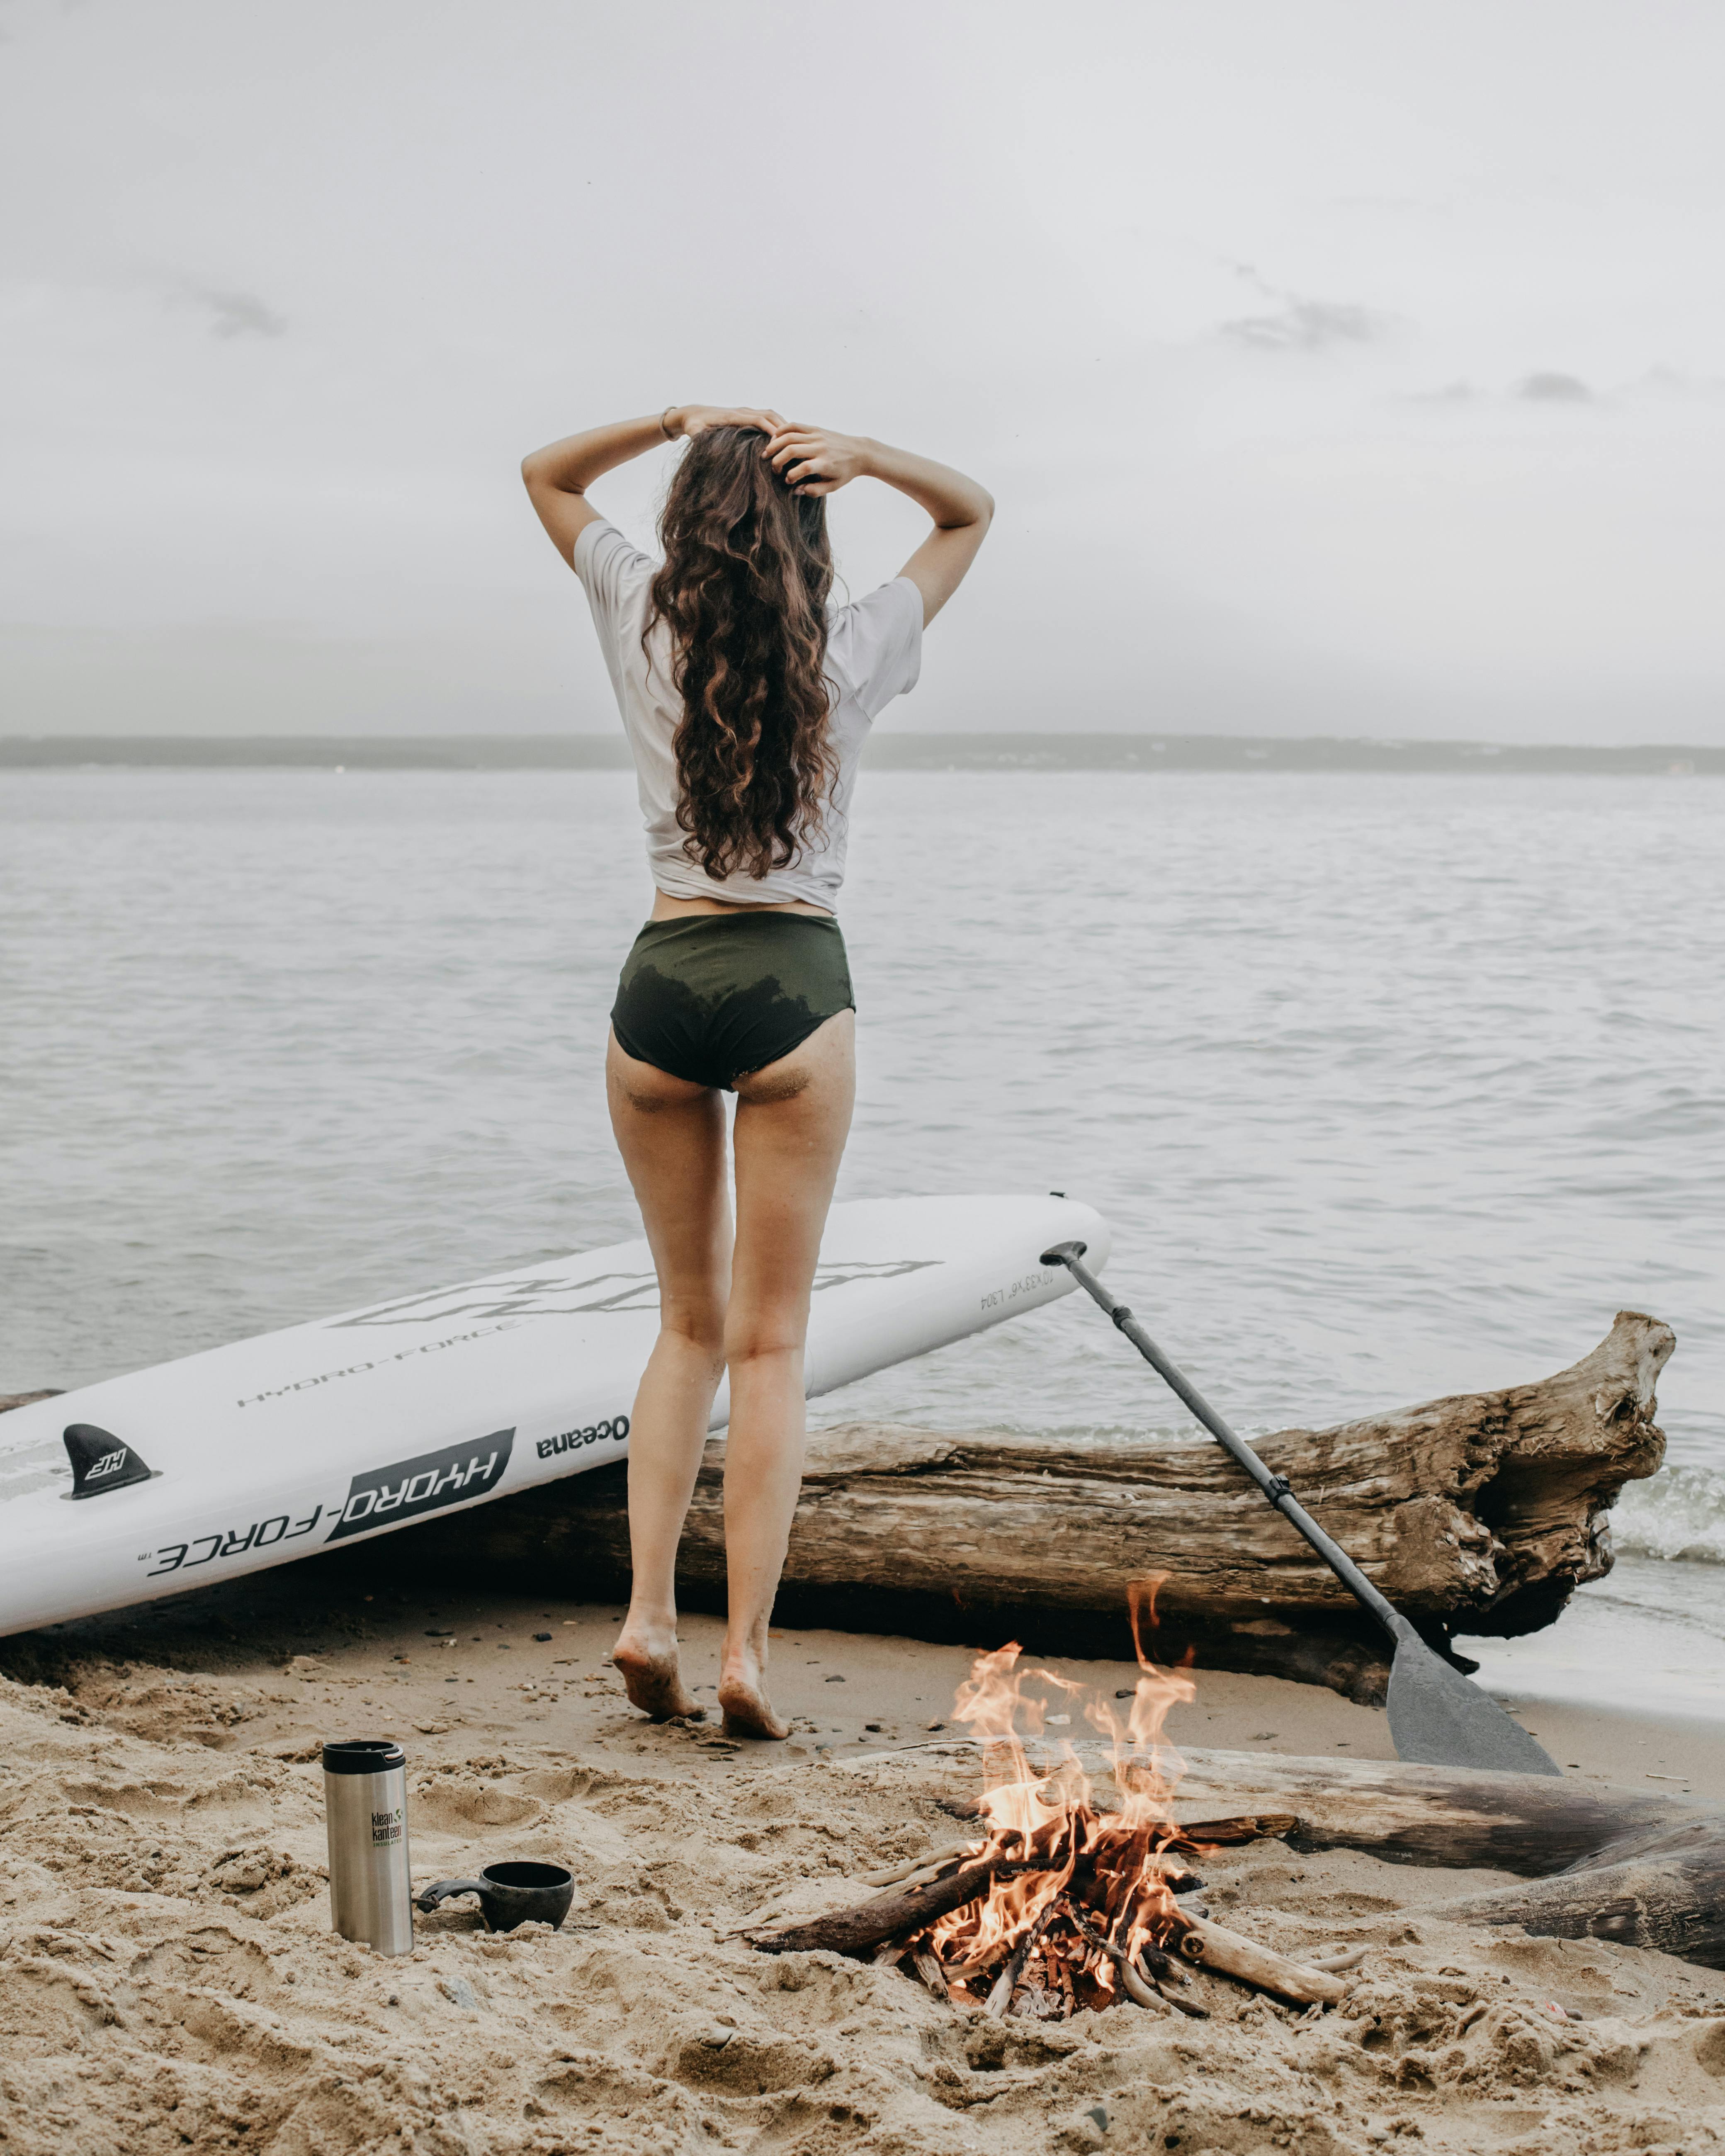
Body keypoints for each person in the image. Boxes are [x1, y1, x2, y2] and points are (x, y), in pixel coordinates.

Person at [521, 405, 992, 1737]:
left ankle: (644, 1615)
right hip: (794, 988)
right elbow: (972, 514)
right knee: (771, 1342)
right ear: (810, 522)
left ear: (681, 521)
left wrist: (669, 422)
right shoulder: (854, 643)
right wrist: (871, 455)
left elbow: (545, 476)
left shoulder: (635, 610)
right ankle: (745, 1660)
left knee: (685, 1327)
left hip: (661, 985)